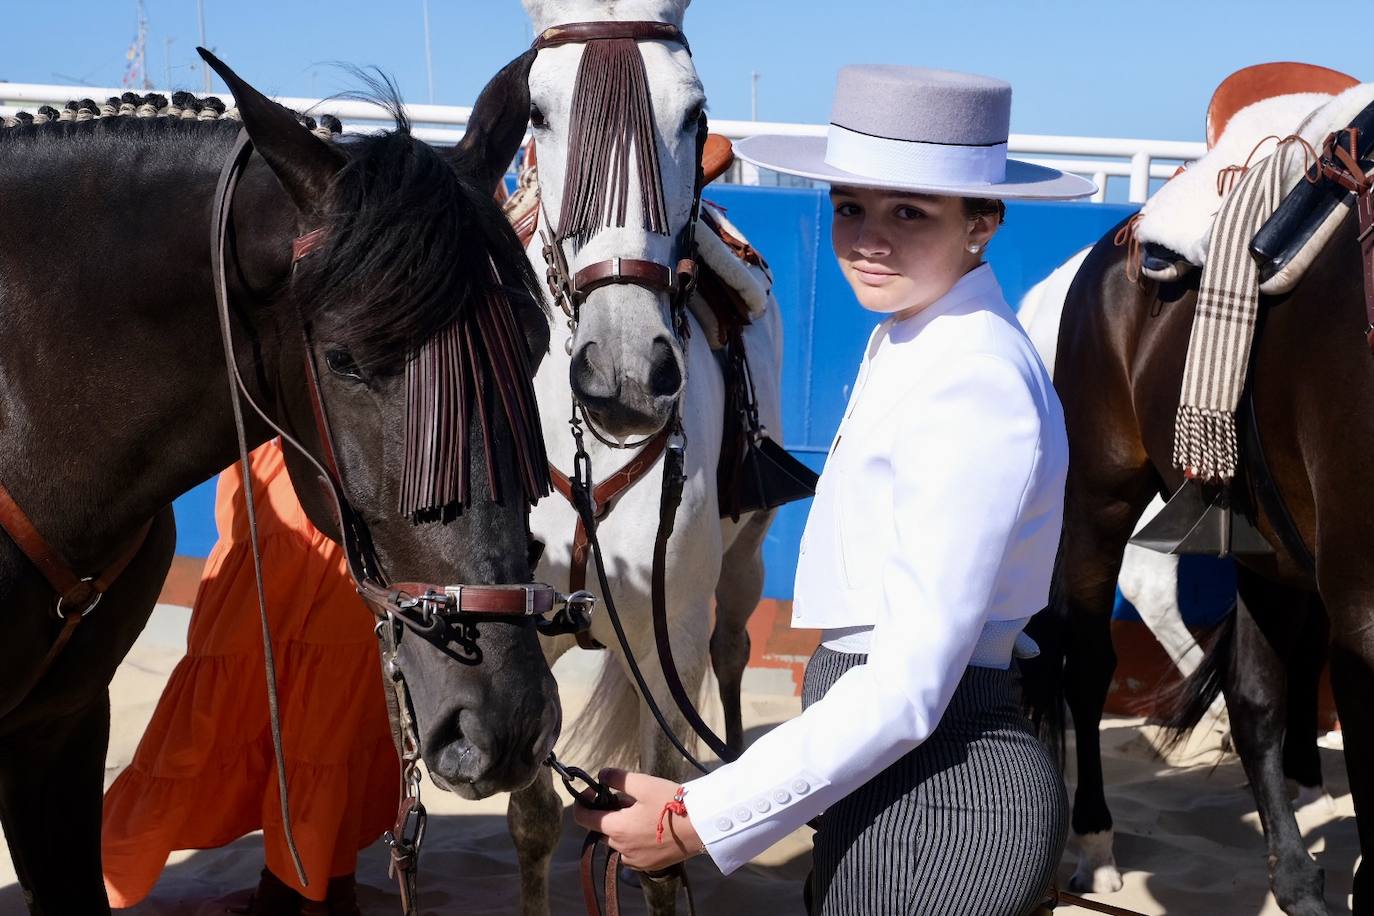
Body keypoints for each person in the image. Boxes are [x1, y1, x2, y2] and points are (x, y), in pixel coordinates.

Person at [573, 65, 1095, 915]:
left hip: (944, 797)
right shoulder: (923, 340)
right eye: (851, 206)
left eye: (911, 212)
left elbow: (908, 688)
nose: (870, 239)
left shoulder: (974, 380)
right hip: (904, 785)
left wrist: (692, 818)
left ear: (984, 223)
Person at [102, 440, 399, 915]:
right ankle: (307, 885)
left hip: (351, 458)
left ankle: (313, 888)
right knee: (241, 683)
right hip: (285, 463)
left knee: (327, 708)